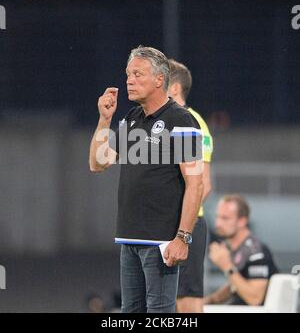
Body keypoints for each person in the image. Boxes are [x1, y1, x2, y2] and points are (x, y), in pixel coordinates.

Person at [89, 46, 204, 313]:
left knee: (159, 313)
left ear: (159, 80)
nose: (129, 80)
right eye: (128, 74)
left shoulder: (181, 119)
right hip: (129, 238)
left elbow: (195, 184)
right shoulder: (131, 118)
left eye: (138, 74)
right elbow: (98, 163)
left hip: (160, 240)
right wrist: (104, 120)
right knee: (131, 312)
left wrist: (183, 237)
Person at [167, 59, 213, 313]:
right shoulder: (167, 121)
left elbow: (203, 185)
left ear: (174, 88)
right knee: (169, 298)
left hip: (188, 225)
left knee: (188, 299)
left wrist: (181, 228)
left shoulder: (191, 121)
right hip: (172, 225)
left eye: (161, 79)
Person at [204, 194, 278, 306]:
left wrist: (227, 266)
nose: (217, 224)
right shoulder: (235, 248)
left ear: (242, 221)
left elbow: (255, 299)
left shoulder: (256, 252)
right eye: (217, 217)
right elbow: (235, 286)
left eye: (225, 218)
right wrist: (209, 301)